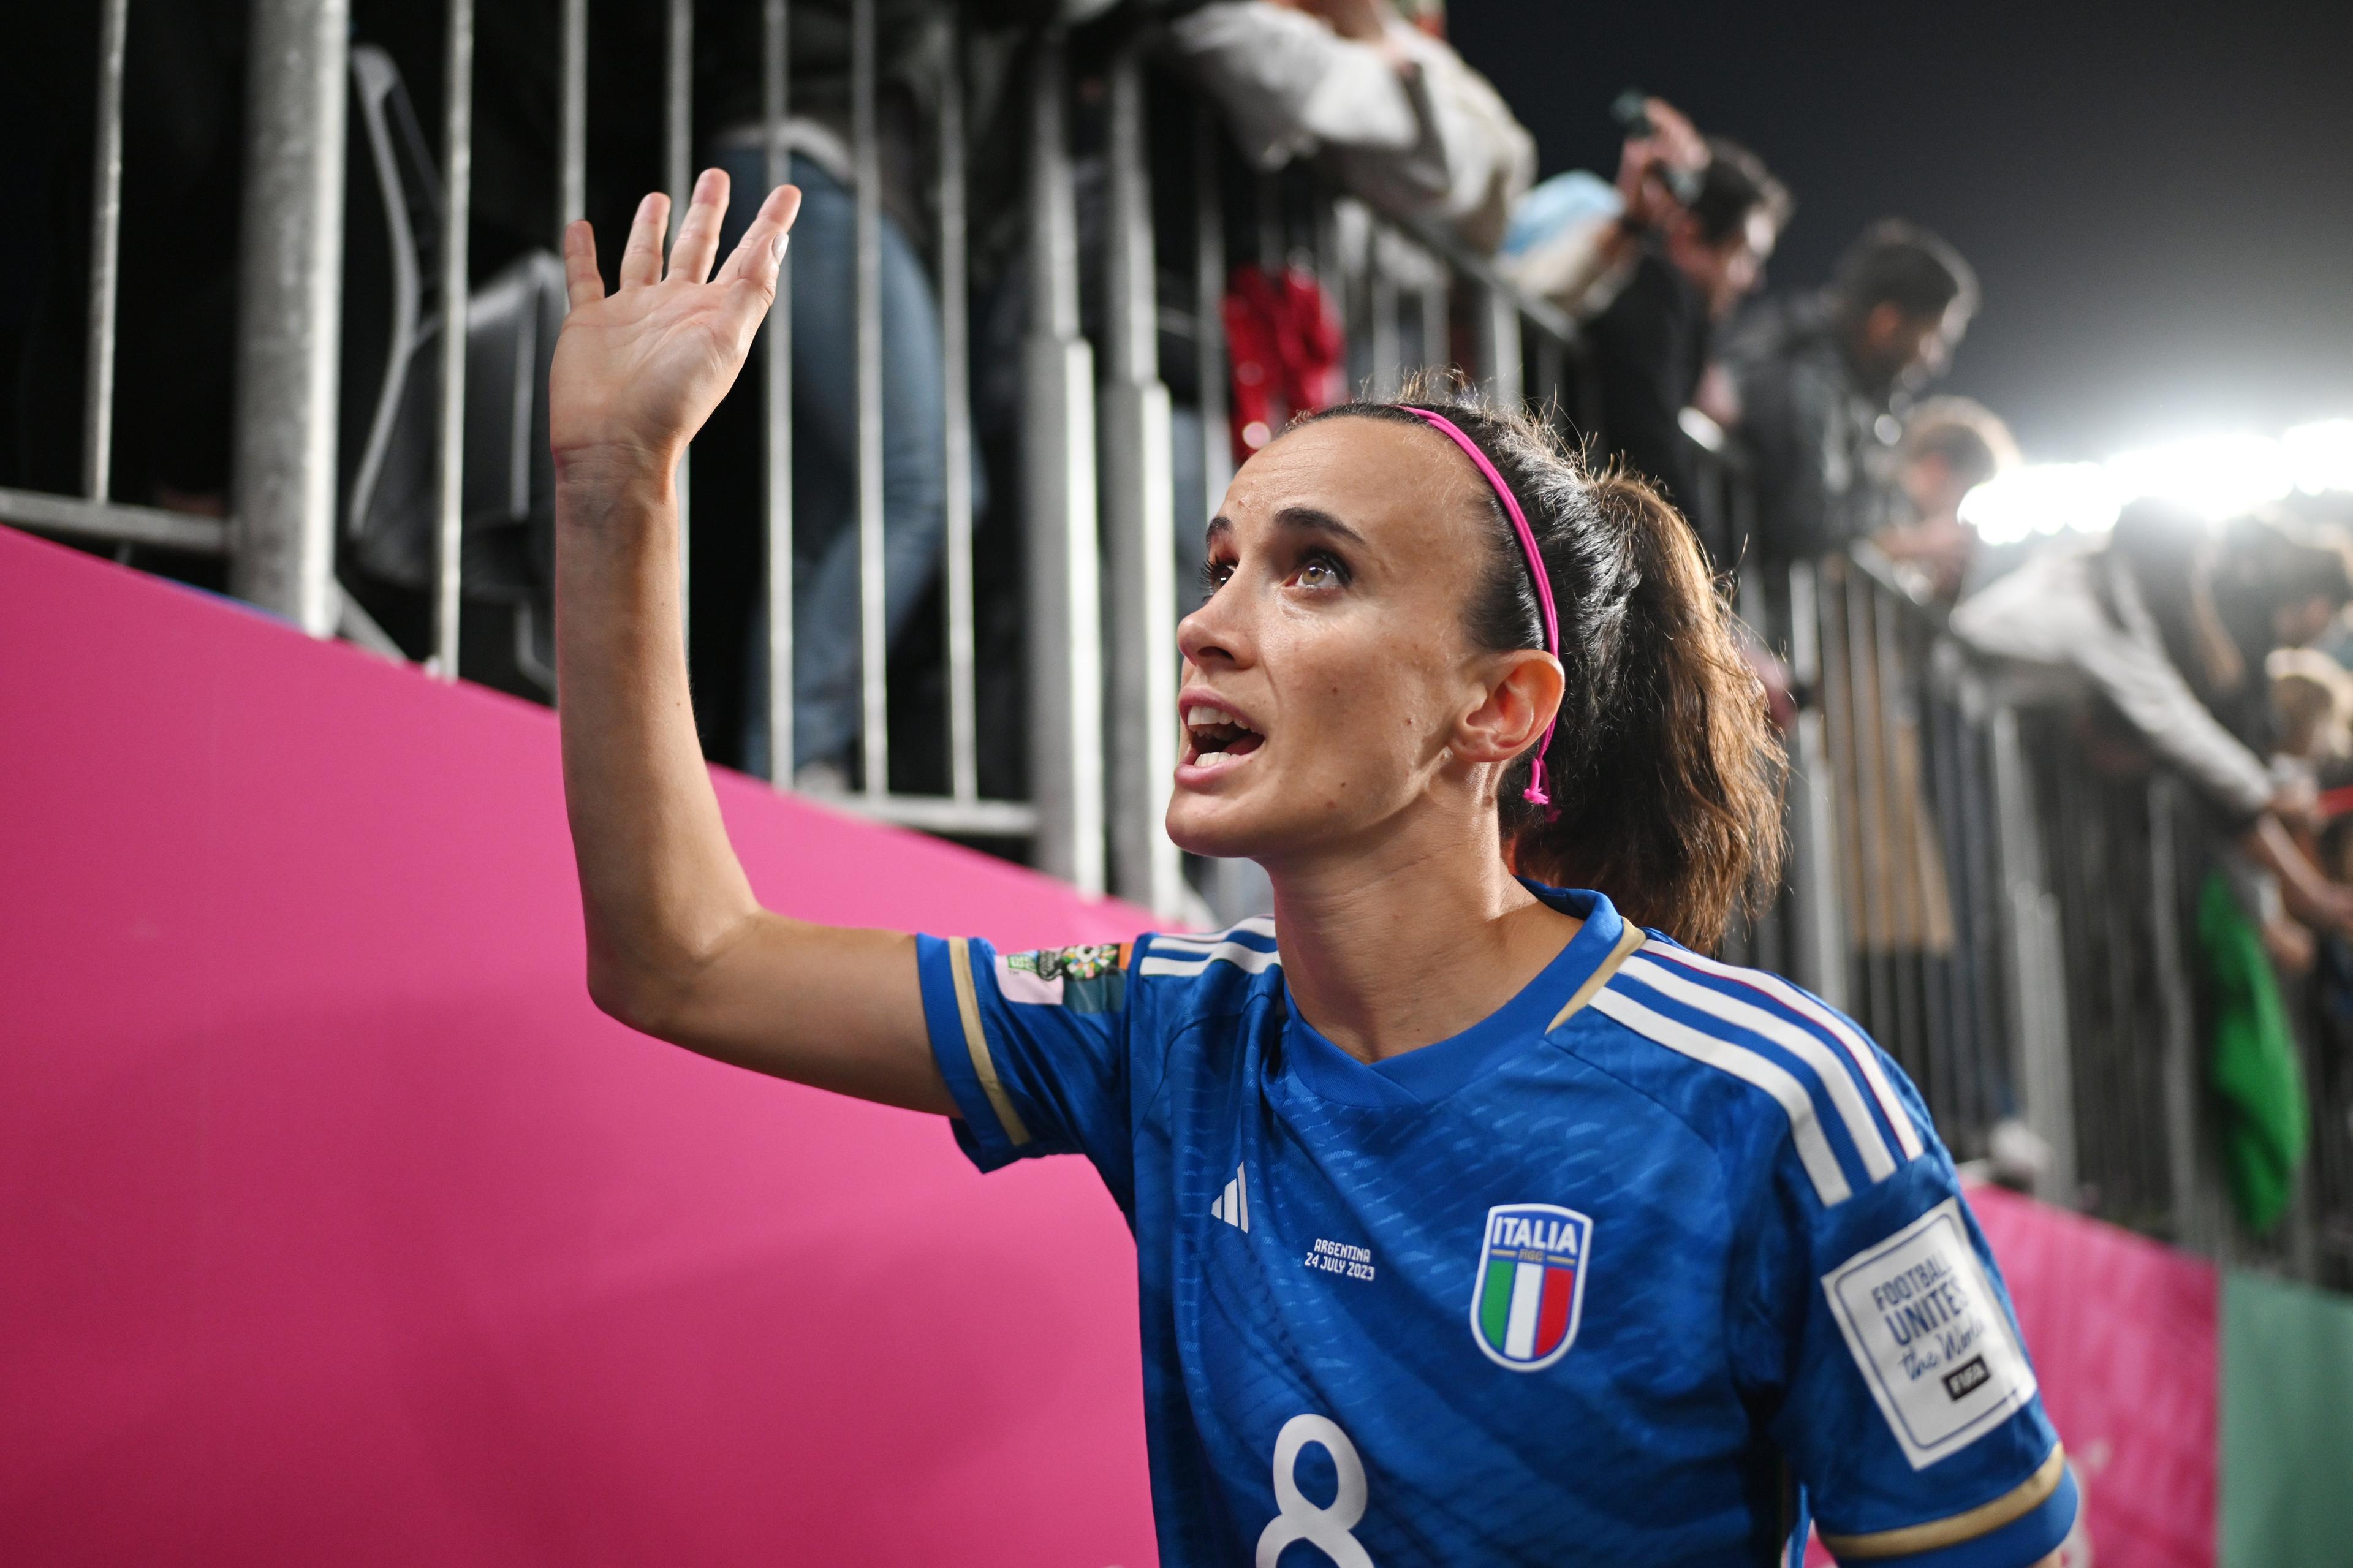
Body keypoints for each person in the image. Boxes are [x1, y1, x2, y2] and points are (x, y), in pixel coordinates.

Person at [552, 169, 2076, 1566]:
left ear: (1497, 708)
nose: (1207, 624)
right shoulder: (1166, 1031)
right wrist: (620, 480)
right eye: (1222, 560)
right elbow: (678, 954)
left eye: (1316, 571)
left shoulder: (1774, 1107)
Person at [1582, 127, 1792, 559]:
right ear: (1690, 234)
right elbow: (1646, 434)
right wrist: (1702, 573)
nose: (1754, 281)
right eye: (1745, 254)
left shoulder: (1659, 297)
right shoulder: (1657, 292)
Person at [1724, 220, 1978, 569]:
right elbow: (1803, 522)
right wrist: (1904, 545)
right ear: (1886, 322)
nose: (1935, 360)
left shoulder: (1860, 394)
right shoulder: (1801, 372)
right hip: (1731, 601)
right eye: (1934, 338)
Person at [1878, 396, 2017, 603]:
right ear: (1937, 468)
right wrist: (1919, 545)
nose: (1958, 507)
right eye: (1964, 490)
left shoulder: (1915, 521)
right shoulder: (1874, 491)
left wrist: (1945, 591)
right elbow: (1835, 547)